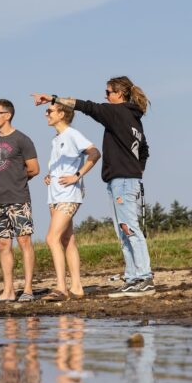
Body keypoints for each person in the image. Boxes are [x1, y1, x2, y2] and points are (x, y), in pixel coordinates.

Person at [33, 75, 154, 298]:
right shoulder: (133, 118)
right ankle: (132, 277)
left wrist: (53, 97)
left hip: (124, 180)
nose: (105, 97)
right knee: (122, 230)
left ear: (119, 94)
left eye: (108, 92)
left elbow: (85, 106)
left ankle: (144, 277)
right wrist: (138, 169)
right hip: (123, 179)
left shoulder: (117, 112)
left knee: (129, 228)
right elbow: (144, 149)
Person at [40, 102, 100, 301]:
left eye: (49, 111)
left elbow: (94, 153)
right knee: (67, 239)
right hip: (54, 195)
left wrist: (77, 175)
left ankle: (61, 288)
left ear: (62, 113)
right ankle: (77, 287)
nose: (46, 114)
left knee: (51, 238)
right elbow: (63, 164)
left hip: (69, 194)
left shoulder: (72, 134)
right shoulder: (56, 139)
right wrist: (50, 175)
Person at [0, 99, 40, 304]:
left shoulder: (22, 139)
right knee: (2, 244)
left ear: (7, 115)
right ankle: (8, 291)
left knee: (24, 241)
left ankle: (27, 289)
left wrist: (17, 179)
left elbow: (34, 168)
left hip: (19, 199)